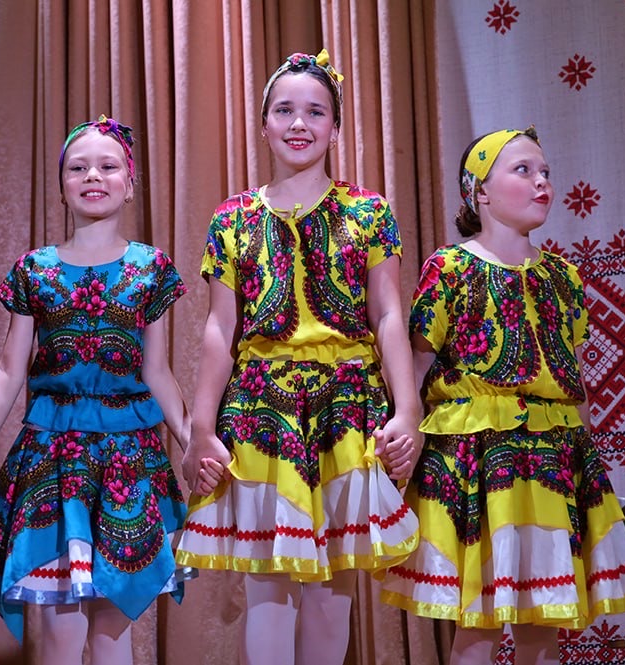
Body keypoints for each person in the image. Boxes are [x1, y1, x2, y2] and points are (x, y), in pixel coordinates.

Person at [175, 49, 422, 665]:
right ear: (264, 125)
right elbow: (219, 327)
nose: (299, 123)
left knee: (333, 590)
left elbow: (389, 314)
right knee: (269, 585)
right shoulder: (232, 218)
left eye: (316, 111)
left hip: (347, 405)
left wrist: (408, 409)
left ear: (335, 128)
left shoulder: (368, 211)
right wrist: (201, 427)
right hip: (262, 409)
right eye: (284, 109)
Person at [379, 127, 625, 664]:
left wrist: (586, 468)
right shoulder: (450, 269)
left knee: (543, 621)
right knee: (478, 623)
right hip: (476, 462)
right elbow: (417, 365)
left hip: (552, 459)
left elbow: (571, 379)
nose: (541, 182)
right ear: (479, 190)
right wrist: (401, 437)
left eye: (545, 172)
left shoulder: (563, 276)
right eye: (523, 170)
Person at [0, 116, 194, 665]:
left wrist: (195, 441)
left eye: (107, 166)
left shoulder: (150, 268)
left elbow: (158, 371)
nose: (93, 176)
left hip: (128, 460)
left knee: (114, 626)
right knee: (61, 628)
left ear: (129, 183)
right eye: (78, 167)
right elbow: (8, 371)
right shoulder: (35, 270)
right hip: (52, 459)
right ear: (62, 184)